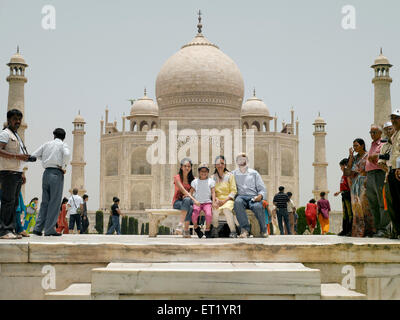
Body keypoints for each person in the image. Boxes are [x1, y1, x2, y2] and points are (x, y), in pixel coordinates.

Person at [31, 128, 70, 237]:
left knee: (45, 202)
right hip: (57, 174)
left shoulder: (47, 144)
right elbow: (67, 154)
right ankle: (49, 229)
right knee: (55, 202)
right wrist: (63, 166)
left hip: (46, 173)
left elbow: (34, 155)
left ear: (54, 135)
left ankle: (38, 228)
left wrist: (46, 159)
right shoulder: (63, 145)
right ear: (64, 137)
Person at [0, 109, 31, 239]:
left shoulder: (16, 135)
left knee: (14, 204)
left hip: (16, 173)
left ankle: (11, 229)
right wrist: (17, 156)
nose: (17, 122)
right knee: (8, 202)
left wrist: (22, 173)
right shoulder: (5, 134)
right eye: (15, 119)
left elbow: (20, 156)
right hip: (7, 172)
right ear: (9, 120)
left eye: (19, 119)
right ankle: (4, 231)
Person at [233, 153, 268, 238]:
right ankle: (245, 229)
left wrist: (260, 196)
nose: (242, 162)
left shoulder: (254, 173)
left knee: (258, 207)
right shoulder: (233, 174)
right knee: (237, 202)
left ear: (247, 161)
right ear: (237, 161)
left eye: (244, 160)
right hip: (241, 196)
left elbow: (262, 188)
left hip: (253, 197)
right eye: (240, 159)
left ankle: (263, 230)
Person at [346, 138, 375, 237]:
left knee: (365, 208)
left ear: (362, 146)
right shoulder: (355, 158)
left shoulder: (367, 156)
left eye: (356, 146)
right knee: (356, 208)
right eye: (353, 146)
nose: (355, 148)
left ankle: (369, 230)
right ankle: (358, 231)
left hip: (364, 184)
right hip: (355, 185)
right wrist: (350, 156)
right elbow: (348, 170)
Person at [366, 125, 387, 238]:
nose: (372, 135)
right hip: (370, 175)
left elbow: (386, 156)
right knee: (373, 204)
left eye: (374, 132)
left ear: (380, 133)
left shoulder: (383, 144)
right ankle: (377, 228)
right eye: (371, 132)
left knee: (382, 203)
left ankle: (383, 229)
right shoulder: (372, 145)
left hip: (379, 174)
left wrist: (377, 156)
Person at [377, 121, 397, 238]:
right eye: (387, 130)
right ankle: (394, 231)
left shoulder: (397, 143)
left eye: (390, 129)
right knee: (390, 205)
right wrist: (389, 171)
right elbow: (381, 162)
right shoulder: (385, 146)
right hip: (389, 177)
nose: (389, 131)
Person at [211, 156, 238, 238]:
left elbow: (233, 191)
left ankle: (233, 231)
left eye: (222, 163)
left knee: (226, 210)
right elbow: (212, 191)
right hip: (217, 199)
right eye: (218, 163)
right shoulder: (212, 177)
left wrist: (224, 200)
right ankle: (215, 229)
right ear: (215, 165)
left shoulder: (230, 176)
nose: (220, 165)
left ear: (225, 165)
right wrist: (216, 200)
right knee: (215, 210)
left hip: (228, 200)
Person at [172, 158, 196, 238]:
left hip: (188, 201)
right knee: (190, 206)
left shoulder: (193, 179)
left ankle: (180, 226)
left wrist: (190, 195)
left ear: (191, 168)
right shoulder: (177, 177)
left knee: (188, 202)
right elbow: (182, 190)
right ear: (181, 167)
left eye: (189, 166)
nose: (187, 168)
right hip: (178, 202)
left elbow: (193, 192)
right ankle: (185, 230)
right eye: (185, 166)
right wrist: (192, 198)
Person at [190, 164, 216, 238]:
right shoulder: (195, 181)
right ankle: (196, 228)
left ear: (208, 172)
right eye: (202, 171)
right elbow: (190, 193)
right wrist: (194, 200)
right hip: (197, 203)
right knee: (194, 215)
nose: (203, 173)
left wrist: (213, 201)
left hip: (207, 202)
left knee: (208, 215)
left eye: (205, 171)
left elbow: (213, 192)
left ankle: (207, 229)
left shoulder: (211, 181)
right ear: (199, 172)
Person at [387, 109, 400, 239]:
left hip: (398, 170)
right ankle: (397, 229)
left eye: (396, 118)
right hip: (392, 170)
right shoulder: (395, 134)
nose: (394, 121)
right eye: (392, 118)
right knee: (395, 202)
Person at [334, 158, 353, 236]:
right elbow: (344, 186)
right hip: (344, 194)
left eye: (341, 166)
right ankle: (344, 230)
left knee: (349, 213)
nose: (341, 168)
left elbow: (349, 185)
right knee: (345, 213)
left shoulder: (347, 174)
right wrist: (339, 192)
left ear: (345, 166)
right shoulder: (343, 175)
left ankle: (349, 230)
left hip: (348, 194)